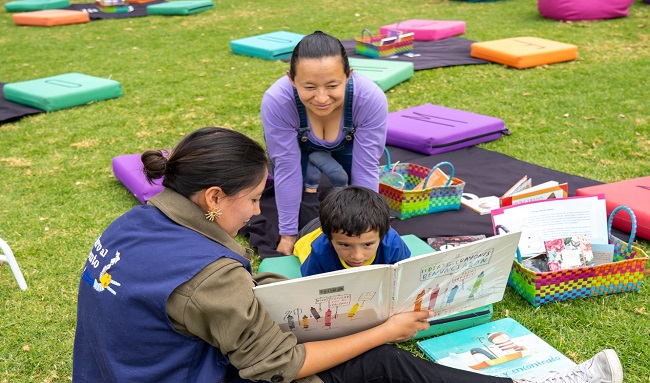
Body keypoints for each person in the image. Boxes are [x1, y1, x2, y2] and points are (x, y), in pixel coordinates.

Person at [72, 127, 623, 383]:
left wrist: (263, 289)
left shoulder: (135, 222)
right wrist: (385, 330)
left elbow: (187, 308)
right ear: (214, 198)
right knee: (379, 359)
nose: (257, 214)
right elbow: (279, 367)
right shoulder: (208, 274)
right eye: (251, 199)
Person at [261, 30, 388, 256]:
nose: (321, 98)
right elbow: (287, 169)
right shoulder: (277, 101)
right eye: (309, 87)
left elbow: (366, 167)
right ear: (291, 79)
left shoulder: (369, 98)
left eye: (332, 86)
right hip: (297, 154)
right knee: (292, 189)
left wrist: (369, 229)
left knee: (353, 190)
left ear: (349, 75)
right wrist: (288, 235)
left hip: (348, 151)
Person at [295, 185, 411, 276]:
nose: (357, 256)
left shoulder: (393, 245)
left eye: (368, 244)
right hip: (312, 230)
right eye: (345, 245)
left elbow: (404, 276)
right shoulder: (320, 251)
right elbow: (311, 289)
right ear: (329, 239)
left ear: (382, 236)